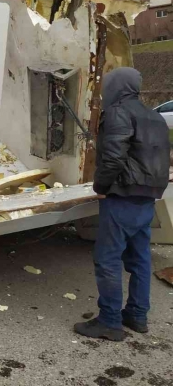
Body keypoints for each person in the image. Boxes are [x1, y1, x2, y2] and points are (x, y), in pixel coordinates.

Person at [75, 67, 171, 341]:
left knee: (108, 259)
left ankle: (109, 321)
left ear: (117, 87)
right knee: (139, 259)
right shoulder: (154, 117)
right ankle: (137, 316)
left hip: (122, 196)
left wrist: (100, 187)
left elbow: (114, 158)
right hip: (146, 197)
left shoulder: (118, 112)